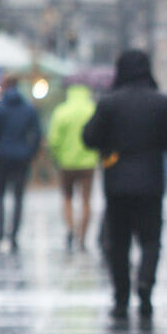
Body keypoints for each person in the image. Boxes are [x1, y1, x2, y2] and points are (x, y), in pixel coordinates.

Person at [82, 49, 167, 320]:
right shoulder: (162, 103)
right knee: (151, 239)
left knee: (117, 242)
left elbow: (89, 137)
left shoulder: (109, 103)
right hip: (151, 182)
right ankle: (145, 285)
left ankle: (121, 298)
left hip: (117, 182)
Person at [47, 84, 99, 251]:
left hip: (66, 163)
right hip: (88, 163)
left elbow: (53, 139)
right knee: (86, 201)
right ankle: (82, 236)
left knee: (67, 198)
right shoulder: (92, 109)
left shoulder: (61, 111)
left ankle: (70, 228)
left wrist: (56, 155)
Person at [0, 73, 42, 252]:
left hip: (0, 157)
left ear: (5, 85)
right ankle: (14, 234)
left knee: (0, 196)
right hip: (21, 157)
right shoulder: (28, 108)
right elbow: (37, 133)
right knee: (18, 197)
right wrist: (30, 153)